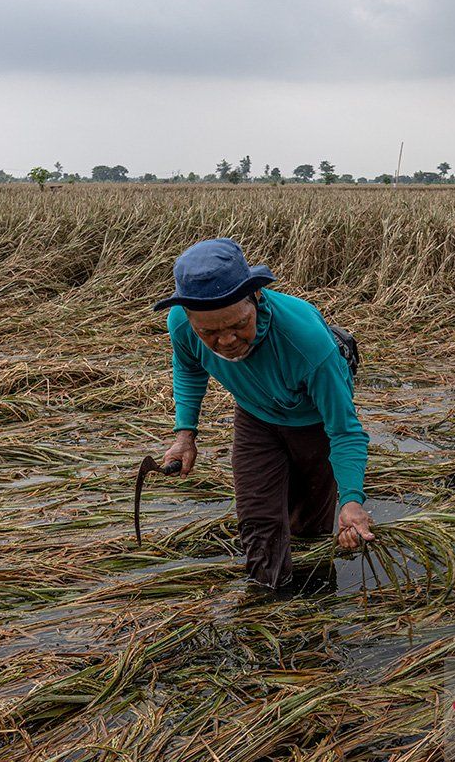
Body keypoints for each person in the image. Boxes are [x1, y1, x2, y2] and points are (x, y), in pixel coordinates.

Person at [154, 237, 375, 590]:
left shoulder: (305, 342)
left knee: (308, 530)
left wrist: (351, 501)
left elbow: (345, 431)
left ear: (255, 297)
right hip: (255, 417)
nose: (226, 340)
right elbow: (189, 367)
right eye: (209, 331)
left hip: (313, 425)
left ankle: (313, 607)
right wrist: (185, 435)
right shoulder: (181, 324)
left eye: (238, 324)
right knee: (259, 523)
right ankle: (265, 605)